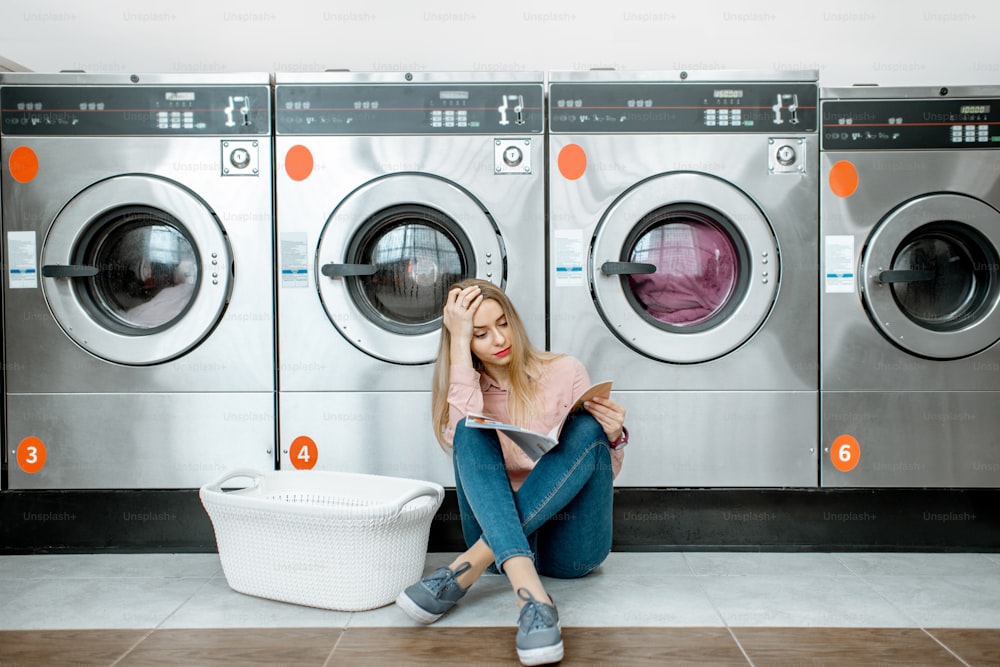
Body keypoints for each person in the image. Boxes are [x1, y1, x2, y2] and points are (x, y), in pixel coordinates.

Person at [396, 278, 628, 666]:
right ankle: (534, 598)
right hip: (496, 528)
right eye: (480, 334)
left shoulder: (566, 370)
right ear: (464, 341)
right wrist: (457, 340)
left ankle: (463, 570)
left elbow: (602, 475)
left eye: (503, 323)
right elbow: (460, 436)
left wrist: (614, 438)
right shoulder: (467, 384)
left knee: (587, 427)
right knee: (470, 426)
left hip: (569, 547)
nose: (499, 339)